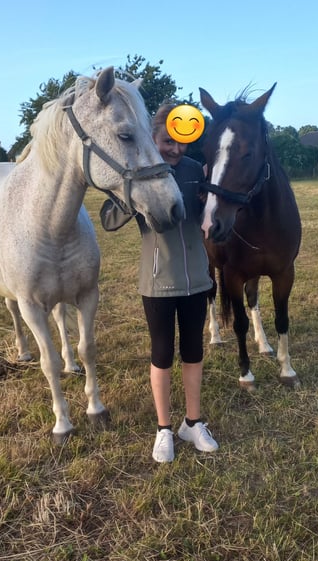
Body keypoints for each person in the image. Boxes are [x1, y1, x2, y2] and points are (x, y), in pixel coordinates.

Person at [100, 103, 219, 463]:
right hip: (157, 282)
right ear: (152, 137)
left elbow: (210, 217)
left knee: (194, 351)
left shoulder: (196, 170)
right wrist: (130, 193)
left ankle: (192, 423)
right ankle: (164, 429)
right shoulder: (140, 171)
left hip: (197, 278)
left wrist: (210, 194)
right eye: (169, 141)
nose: (177, 149)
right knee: (162, 353)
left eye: (183, 142)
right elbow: (108, 221)